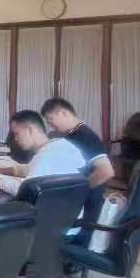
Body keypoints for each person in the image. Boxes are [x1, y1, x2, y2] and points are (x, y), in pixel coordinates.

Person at [41, 97, 115, 239]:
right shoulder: (73, 134)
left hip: (85, 207)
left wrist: (76, 191)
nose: (50, 125)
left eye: (50, 119)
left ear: (63, 113)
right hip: (76, 204)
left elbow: (106, 171)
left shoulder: (85, 136)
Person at [0, 110, 86, 196]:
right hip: (71, 213)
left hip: (51, 217)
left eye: (17, 133)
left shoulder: (45, 157)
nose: (15, 139)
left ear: (30, 130)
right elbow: (30, 168)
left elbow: (24, 191)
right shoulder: (61, 145)